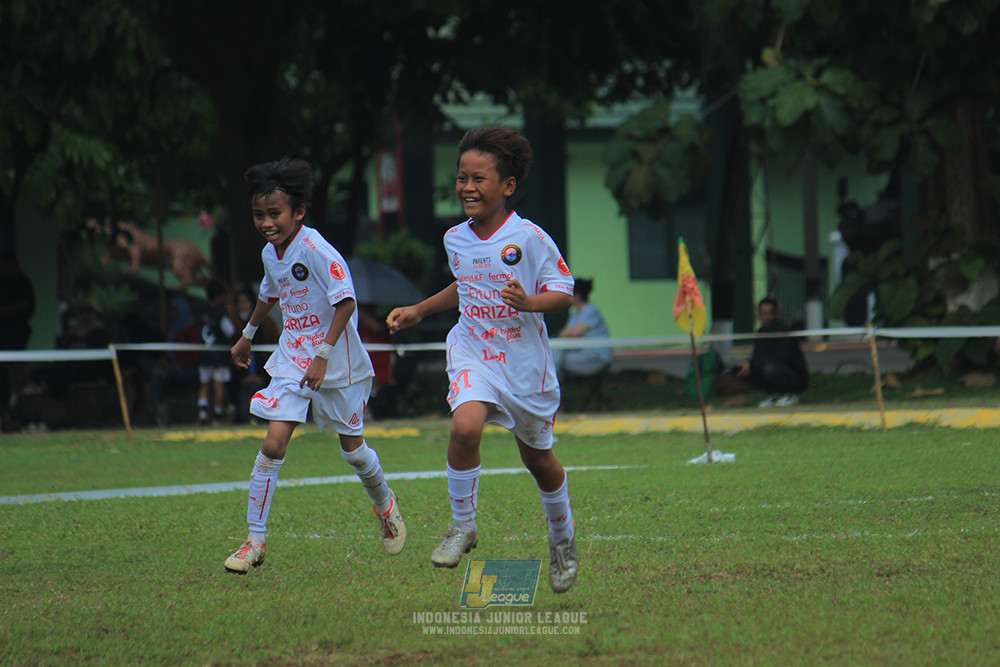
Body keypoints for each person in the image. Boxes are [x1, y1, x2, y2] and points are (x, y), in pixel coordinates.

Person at [386, 127, 579, 593]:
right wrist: (419, 310)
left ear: (507, 186)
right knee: (465, 427)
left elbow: (564, 294)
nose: (467, 187)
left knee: (540, 462)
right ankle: (462, 525)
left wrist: (528, 302)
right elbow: (464, 286)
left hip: (523, 364)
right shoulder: (456, 238)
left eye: (479, 179)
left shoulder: (529, 237)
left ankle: (563, 540)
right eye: (461, 178)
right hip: (472, 350)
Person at [224, 158, 406, 574]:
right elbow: (270, 293)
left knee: (354, 451)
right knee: (273, 445)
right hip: (292, 356)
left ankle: (384, 504)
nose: (266, 223)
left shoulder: (317, 249)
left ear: (298, 213)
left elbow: (345, 302)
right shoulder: (272, 253)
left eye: (274, 214)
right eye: (258, 215)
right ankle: (254, 541)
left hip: (335, 358)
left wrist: (323, 357)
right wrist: (248, 334)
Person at [734, 296, 809, 407]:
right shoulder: (761, 332)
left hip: (793, 375)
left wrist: (754, 363)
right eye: (763, 313)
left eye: (768, 313)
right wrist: (748, 364)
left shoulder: (782, 331)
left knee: (769, 368)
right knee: (744, 371)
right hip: (770, 366)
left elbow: (781, 357)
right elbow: (757, 355)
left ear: (775, 314)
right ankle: (775, 394)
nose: (766, 317)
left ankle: (790, 395)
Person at [230, 285, 279, 424]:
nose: (242, 306)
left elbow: (275, 341)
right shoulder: (236, 323)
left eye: (245, 301)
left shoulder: (267, 323)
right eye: (239, 302)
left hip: (264, 368)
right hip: (242, 369)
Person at [0, 251, 35, 431]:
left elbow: (25, 307)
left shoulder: (22, 282)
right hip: (4, 333)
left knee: (16, 365)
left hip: (16, 332)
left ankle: (20, 400)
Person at [197, 280, 238, 425]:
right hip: (219, 355)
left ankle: (202, 412)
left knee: (204, 384)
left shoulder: (202, 313)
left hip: (204, 354)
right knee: (219, 386)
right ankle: (217, 417)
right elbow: (231, 331)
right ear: (219, 296)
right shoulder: (221, 314)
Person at [553, 278, 613, 378]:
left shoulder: (590, 310)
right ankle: (555, 383)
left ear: (577, 295)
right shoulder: (576, 314)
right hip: (583, 354)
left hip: (597, 357)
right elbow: (564, 334)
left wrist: (570, 333)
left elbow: (574, 334)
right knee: (556, 357)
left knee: (555, 359)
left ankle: (554, 384)